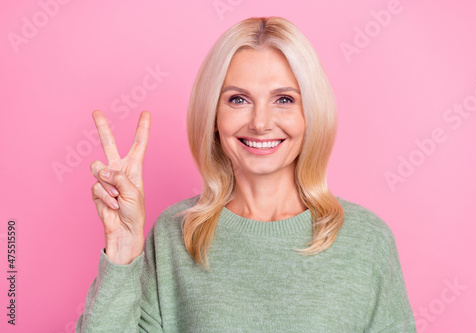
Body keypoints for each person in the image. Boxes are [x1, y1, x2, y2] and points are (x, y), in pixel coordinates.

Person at [76, 16, 416, 332]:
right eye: (238, 99)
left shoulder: (367, 241)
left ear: (311, 113)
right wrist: (122, 248)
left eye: (284, 99)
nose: (261, 122)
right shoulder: (173, 235)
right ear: (213, 115)